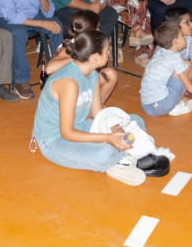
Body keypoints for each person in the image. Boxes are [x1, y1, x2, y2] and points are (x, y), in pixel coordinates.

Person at [31, 30, 150, 186]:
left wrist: (114, 126)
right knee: (105, 153)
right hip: (54, 141)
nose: (109, 53)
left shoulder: (92, 73)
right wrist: (107, 138)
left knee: (134, 120)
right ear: (95, 57)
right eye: (107, 51)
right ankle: (120, 160)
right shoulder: (69, 83)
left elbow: (98, 113)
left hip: (78, 126)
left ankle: (123, 156)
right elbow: (67, 133)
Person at [141, 22, 192, 118]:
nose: (185, 38)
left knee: (179, 69)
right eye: (182, 36)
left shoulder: (161, 51)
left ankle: (185, 101)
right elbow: (190, 87)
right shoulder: (175, 59)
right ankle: (177, 106)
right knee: (187, 65)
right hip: (162, 106)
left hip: (146, 105)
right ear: (175, 41)